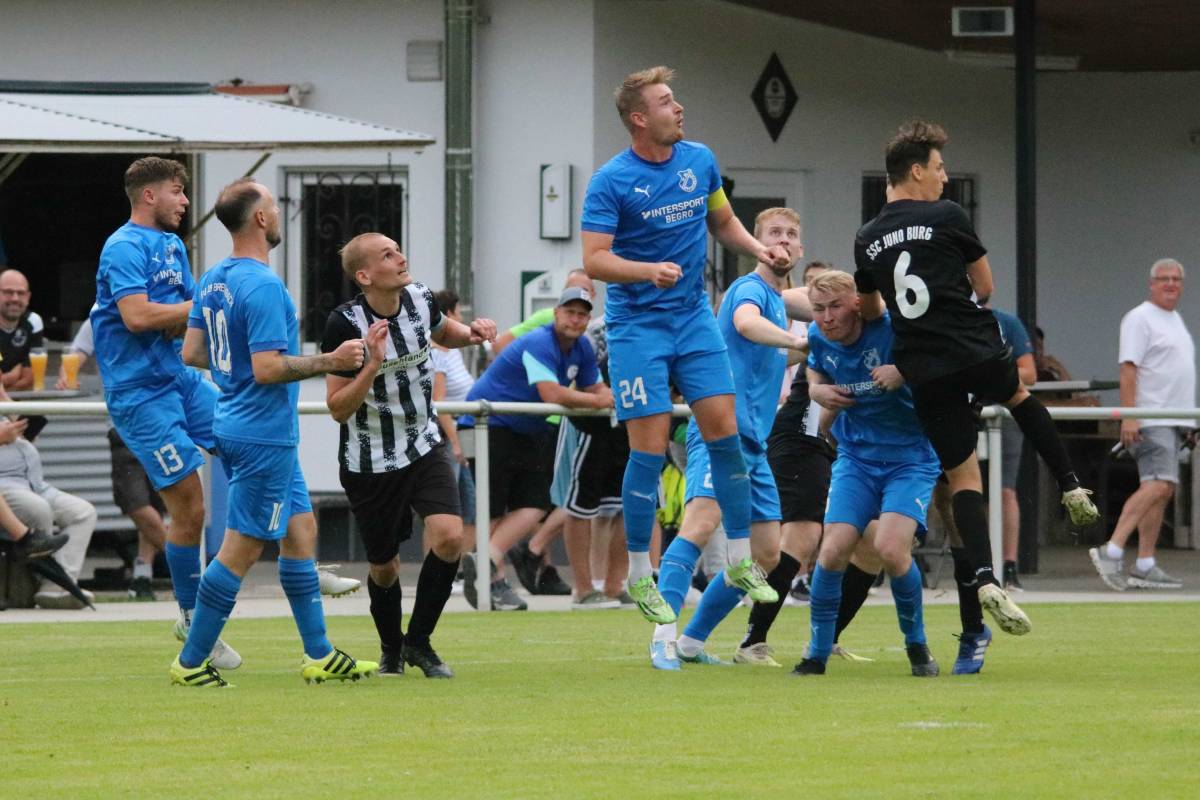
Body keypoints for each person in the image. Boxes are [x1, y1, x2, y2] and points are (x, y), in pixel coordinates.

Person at [854, 120, 1098, 637]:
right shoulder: (948, 214)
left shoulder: (868, 236)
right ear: (916, 170)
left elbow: (871, 303)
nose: (944, 179)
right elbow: (984, 286)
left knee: (963, 478)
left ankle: (986, 577)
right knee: (1018, 396)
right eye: (940, 168)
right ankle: (1072, 485)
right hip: (971, 346)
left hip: (921, 366)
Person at [581, 65, 792, 623]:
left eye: (676, 99)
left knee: (725, 434)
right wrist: (647, 270)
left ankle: (743, 557)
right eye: (666, 102)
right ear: (639, 118)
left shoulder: (699, 160)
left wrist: (759, 251)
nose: (679, 109)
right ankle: (637, 575)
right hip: (637, 328)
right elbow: (595, 260)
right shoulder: (611, 180)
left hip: (694, 316)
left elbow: (722, 223)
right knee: (648, 453)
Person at [169, 178, 377, 687]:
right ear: (261, 218)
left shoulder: (215, 277)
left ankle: (320, 654)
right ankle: (191, 662)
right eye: (275, 205)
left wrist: (233, 371)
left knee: (301, 533)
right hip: (262, 433)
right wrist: (331, 360)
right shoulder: (262, 284)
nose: (280, 213)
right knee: (241, 548)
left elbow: (193, 353)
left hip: (237, 424)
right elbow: (266, 368)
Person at [60, 318, 361, 602]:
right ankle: (188, 598)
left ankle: (301, 573)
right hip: (139, 414)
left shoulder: (190, 281)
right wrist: (328, 360)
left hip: (193, 398)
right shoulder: (114, 307)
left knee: (268, 472)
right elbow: (143, 323)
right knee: (166, 508)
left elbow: (194, 350)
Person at [323, 233, 496, 678]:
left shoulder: (420, 298)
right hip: (370, 459)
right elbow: (338, 408)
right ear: (365, 276)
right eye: (388, 255)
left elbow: (444, 332)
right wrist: (372, 366)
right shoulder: (344, 325)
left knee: (450, 536)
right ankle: (390, 648)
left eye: (399, 248)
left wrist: (471, 334)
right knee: (384, 567)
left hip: (424, 442)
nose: (401, 257)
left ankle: (419, 643)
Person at [92, 157, 240, 669]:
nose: (184, 202)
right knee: (191, 507)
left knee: (252, 445)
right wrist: (209, 303)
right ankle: (192, 614)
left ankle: (303, 564)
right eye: (178, 192)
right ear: (150, 196)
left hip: (180, 379)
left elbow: (183, 323)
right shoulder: (123, 247)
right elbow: (137, 317)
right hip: (139, 393)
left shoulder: (174, 246)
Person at [648, 206, 808, 669]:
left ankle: (692, 643)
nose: (783, 239)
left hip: (754, 443)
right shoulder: (749, 290)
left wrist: (813, 348)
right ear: (758, 244)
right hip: (720, 432)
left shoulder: (779, 303)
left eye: (791, 234)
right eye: (773, 232)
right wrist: (795, 342)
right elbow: (744, 325)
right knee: (700, 524)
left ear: (799, 249)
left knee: (765, 554)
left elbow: (780, 351)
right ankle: (662, 636)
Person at [793, 270, 939, 677]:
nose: (825, 317)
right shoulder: (820, 337)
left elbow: (938, 356)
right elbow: (816, 367)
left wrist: (903, 370)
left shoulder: (892, 330)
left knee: (892, 550)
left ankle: (917, 645)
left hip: (910, 457)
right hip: (856, 458)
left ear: (856, 304)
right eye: (818, 309)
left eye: (834, 307)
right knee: (833, 549)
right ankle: (817, 653)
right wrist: (817, 389)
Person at [463, 287, 612, 610]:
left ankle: (485, 559)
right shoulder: (538, 341)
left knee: (536, 504)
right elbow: (553, 394)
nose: (576, 319)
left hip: (528, 427)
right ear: (556, 313)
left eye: (582, 314)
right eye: (570, 312)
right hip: (488, 422)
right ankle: (493, 583)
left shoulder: (582, 347)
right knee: (493, 506)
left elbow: (595, 385)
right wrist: (600, 399)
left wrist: (608, 396)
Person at [1090, 258, 1192, 591]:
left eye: (1176, 279)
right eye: (1164, 278)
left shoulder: (1175, 320)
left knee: (1163, 488)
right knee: (1158, 485)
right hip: (1152, 415)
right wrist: (1130, 415)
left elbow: (1176, 373)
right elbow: (1129, 369)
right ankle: (1112, 550)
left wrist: (1190, 420)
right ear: (1152, 283)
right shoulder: (1139, 318)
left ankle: (1145, 563)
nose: (1170, 284)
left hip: (1174, 419)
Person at [0, 418, 97, 608]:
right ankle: (37, 582)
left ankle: (55, 588)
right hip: (6, 484)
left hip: (35, 484)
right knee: (39, 508)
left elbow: (22, 424)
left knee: (83, 512)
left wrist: (7, 401)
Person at [987, 305, 1037, 591]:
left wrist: (989, 380)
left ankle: (1008, 565)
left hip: (1003, 414)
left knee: (1006, 490)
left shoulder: (1006, 322)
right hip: (961, 412)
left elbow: (1029, 373)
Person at [0, 269, 43, 391]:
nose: (15, 298)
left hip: (17, 405)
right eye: (8, 292)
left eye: (21, 293)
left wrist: (5, 384)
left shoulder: (34, 321)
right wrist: (14, 375)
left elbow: (29, 380)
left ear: (28, 297)